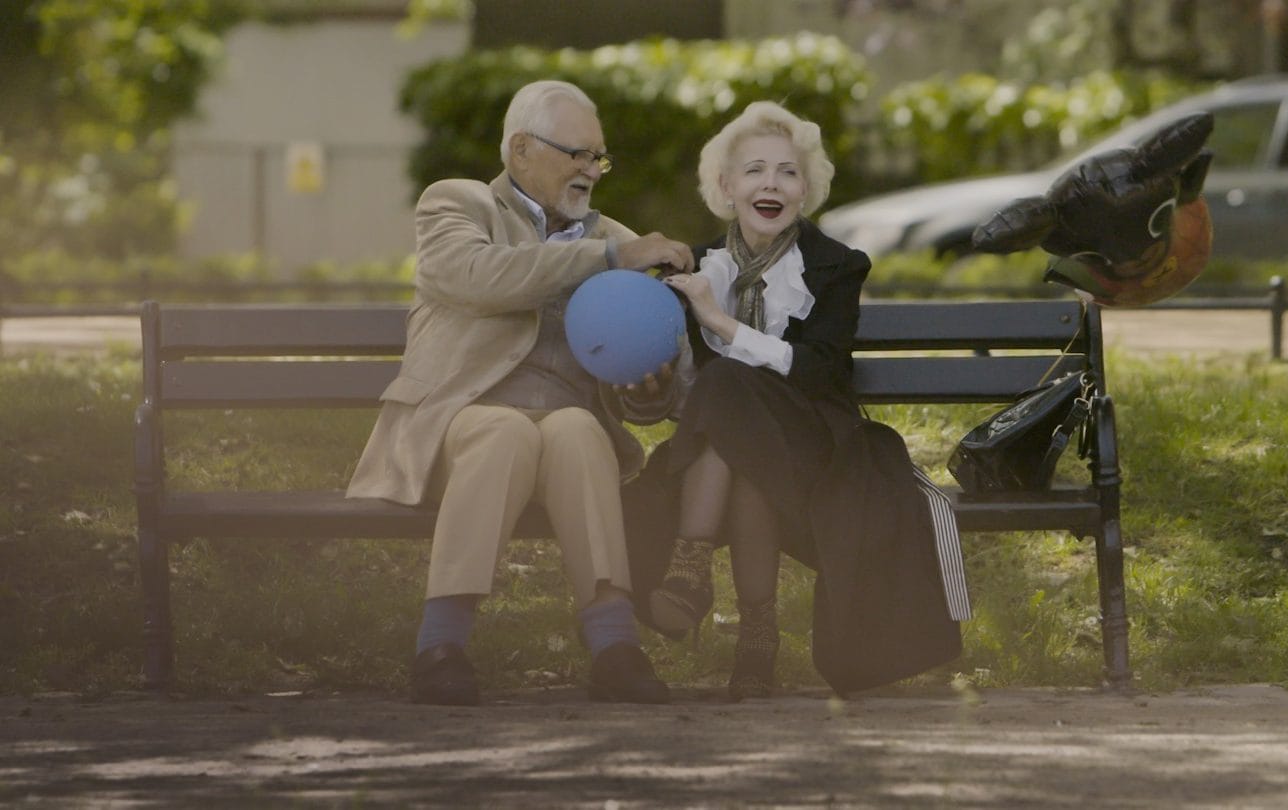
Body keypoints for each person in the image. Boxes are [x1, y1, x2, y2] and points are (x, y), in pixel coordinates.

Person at [347, 79, 695, 706]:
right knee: (503, 429)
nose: (591, 170)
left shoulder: (613, 237)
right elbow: (475, 276)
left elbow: (654, 384)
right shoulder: (457, 204)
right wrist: (606, 258)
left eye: (599, 157)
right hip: (461, 417)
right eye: (577, 154)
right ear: (520, 151)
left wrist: (652, 386)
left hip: (565, 425)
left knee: (580, 431)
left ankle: (615, 647)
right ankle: (441, 646)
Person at [623, 101, 968, 700]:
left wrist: (721, 325)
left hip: (820, 449)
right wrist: (650, 388)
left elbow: (817, 372)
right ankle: (758, 641)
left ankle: (689, 567)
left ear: (805, 189)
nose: (771, 184)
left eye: (787, 172)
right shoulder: (697, 267)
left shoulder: (837, 267)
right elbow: (680, 396)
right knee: (738, 433)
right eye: (755, 170)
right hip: (736, 455)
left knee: (730, 386)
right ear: (726, 186)